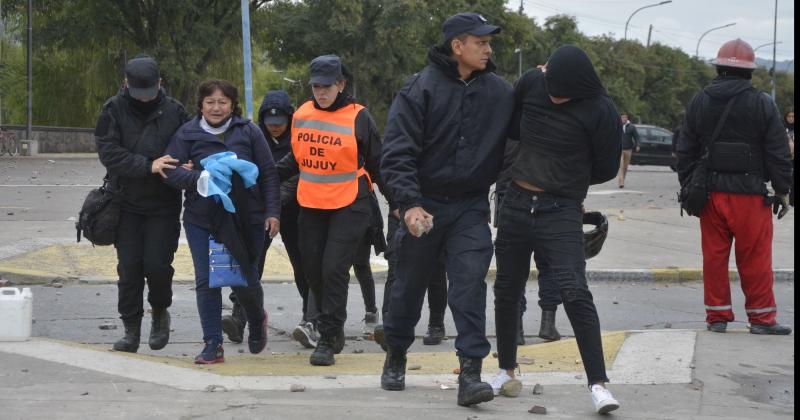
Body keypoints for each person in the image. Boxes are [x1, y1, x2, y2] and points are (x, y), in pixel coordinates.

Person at [380, 12, 513, 407]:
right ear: (458, 46)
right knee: (408, 287)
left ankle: (470, 374)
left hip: (470, 207)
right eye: (481, 42)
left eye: (490, 42)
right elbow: (397, 152)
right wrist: (408, 204)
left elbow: (530, 131)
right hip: (424, 203)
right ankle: (396, 355)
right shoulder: (419, 89)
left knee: (470, 286)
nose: (489, 49)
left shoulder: (501, 94)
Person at [491, 45, 622, 414]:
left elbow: (607, 167)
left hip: (561, 210)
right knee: (506, 289)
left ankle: (599, 385)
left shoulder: (600, 110)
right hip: (516, 203)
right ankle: (506, 370)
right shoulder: (533, 82)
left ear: (581, 88)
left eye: (561, 94)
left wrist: (569, 177)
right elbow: (511, 125)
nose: (553, 96)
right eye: (551, 88)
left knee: (575, 291)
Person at [677, 38, 793, 336]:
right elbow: (778, 152)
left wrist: (689, 185)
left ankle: (717, 317)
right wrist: (782, 190)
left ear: (718, 68)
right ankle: (761, 319)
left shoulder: (700, 100)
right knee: (755, 259)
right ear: (749, 72)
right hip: (750, 196)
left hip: (711, 195)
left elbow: (685, 148)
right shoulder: (762, 102)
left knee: (714, 258)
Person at [276, 54, 386, 367]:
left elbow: (378, 165)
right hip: (311, 203)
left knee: (333, 269)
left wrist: (401, 204)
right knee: (312, 271)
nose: (320, 92)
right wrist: (260, 175)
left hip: (350, 203)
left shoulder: (359, 116)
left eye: (327, 86)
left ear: (341, 84)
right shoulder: (302, 113)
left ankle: (327, 337)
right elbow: (295, 161)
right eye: (315, 87)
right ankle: (332, 330)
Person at [164, 79, 280, 363]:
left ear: (232, 104)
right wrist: (198, 178)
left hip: (245, 219)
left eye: (223, 102)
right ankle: (212, 343)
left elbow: (268, 174)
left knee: (244, 279)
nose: (216, 107)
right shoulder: (187, 133)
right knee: (207, 282)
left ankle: (256, 318)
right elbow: (170, 171)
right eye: (210, 102)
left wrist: (272, 212)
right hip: (201, 219)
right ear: (201, 105)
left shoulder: (249, 131)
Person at [95, 54, 189, 353]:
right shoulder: (113, 109)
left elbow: (190, 144)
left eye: (151, 92)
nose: (146, 99)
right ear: (126, 83)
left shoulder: (175, 111)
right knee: (130, 268)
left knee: (158, 266)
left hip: (164, 203)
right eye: (139, 93)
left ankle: (160, 313)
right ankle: (131, 328)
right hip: (126, 202)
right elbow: (108, 152)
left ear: (160, 83)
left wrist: (189, 163)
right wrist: (147, 165)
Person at [219, 90, 317, 348]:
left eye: (280, 123)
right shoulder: (254, 136)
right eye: (270, 123)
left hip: (295, 208)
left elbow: (300, 171)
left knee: (303, 265)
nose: (275, 128)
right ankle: (240, 317)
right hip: (260, 211)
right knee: (250, 263)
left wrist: (278, 198)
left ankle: (311, 319)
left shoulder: (300, 136)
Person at [495, 138, 562, 345]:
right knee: (548, 265)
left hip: (509, 196)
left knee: (512, 268)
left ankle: (516, 329)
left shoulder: (508, 123)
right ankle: (548, 323)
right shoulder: (547, 124)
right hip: (548, 197)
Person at [372, 206, 449, 349]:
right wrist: (396, 205)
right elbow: (386, 182)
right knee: (395, 266)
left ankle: (436, 324)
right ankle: (389, 324)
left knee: (436, 268)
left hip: (434, 209)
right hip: (402, 211)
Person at [352, 192, 385, 334]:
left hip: (361, 207)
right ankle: (328, 318)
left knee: (360, 264)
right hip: (332, 205)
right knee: (335, 268)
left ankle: (371, 311)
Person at [617, 113, 640, 188]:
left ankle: (623, 179)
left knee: (625, 166)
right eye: (622, 117)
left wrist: (637, 145)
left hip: (628, 149)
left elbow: (636, 137)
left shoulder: (631, 127)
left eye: (625, 117)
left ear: (627, 118)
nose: (623, 118)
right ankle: (621, 182)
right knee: (621, 166)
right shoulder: (617, 126)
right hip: (619, 149)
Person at [784, 108, 794, 206]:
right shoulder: (782, 128)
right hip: (786, 157)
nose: (791, 118)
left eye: (793, 116)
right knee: (788, 179)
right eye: (789, 116)